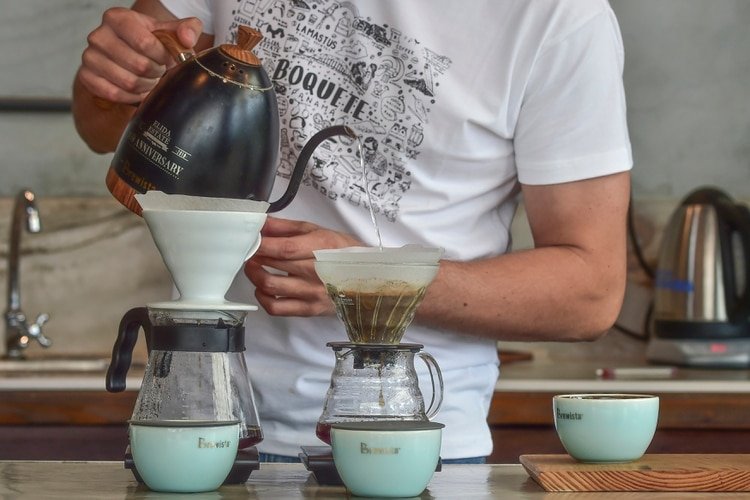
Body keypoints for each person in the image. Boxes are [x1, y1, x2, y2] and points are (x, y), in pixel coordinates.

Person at [72, 0, 632, 463]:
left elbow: (591, 293)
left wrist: (369, 279)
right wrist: (111, 81)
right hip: (206, 425)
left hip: (410, 447)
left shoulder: (558, 18)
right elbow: (101, 126)